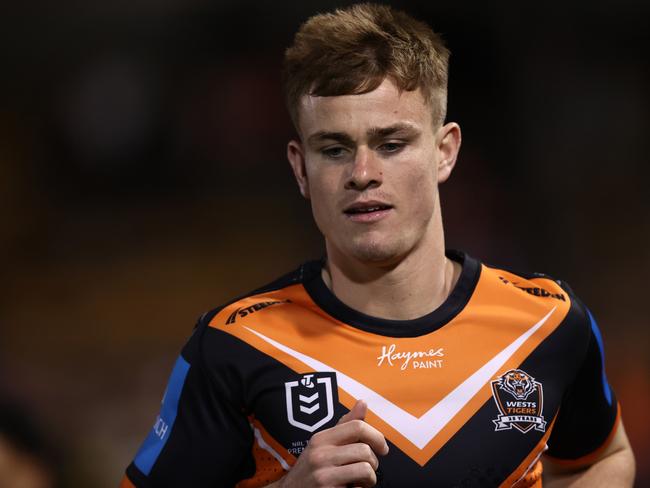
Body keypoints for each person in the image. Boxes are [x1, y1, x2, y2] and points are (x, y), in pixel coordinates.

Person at [121, 4, 635, 487]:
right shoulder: (234, 346)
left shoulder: (548, 324)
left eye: (391, 144)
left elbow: (605, 458)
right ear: (301, 169)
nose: (363, 174)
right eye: (334, 149)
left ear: (444, 152)